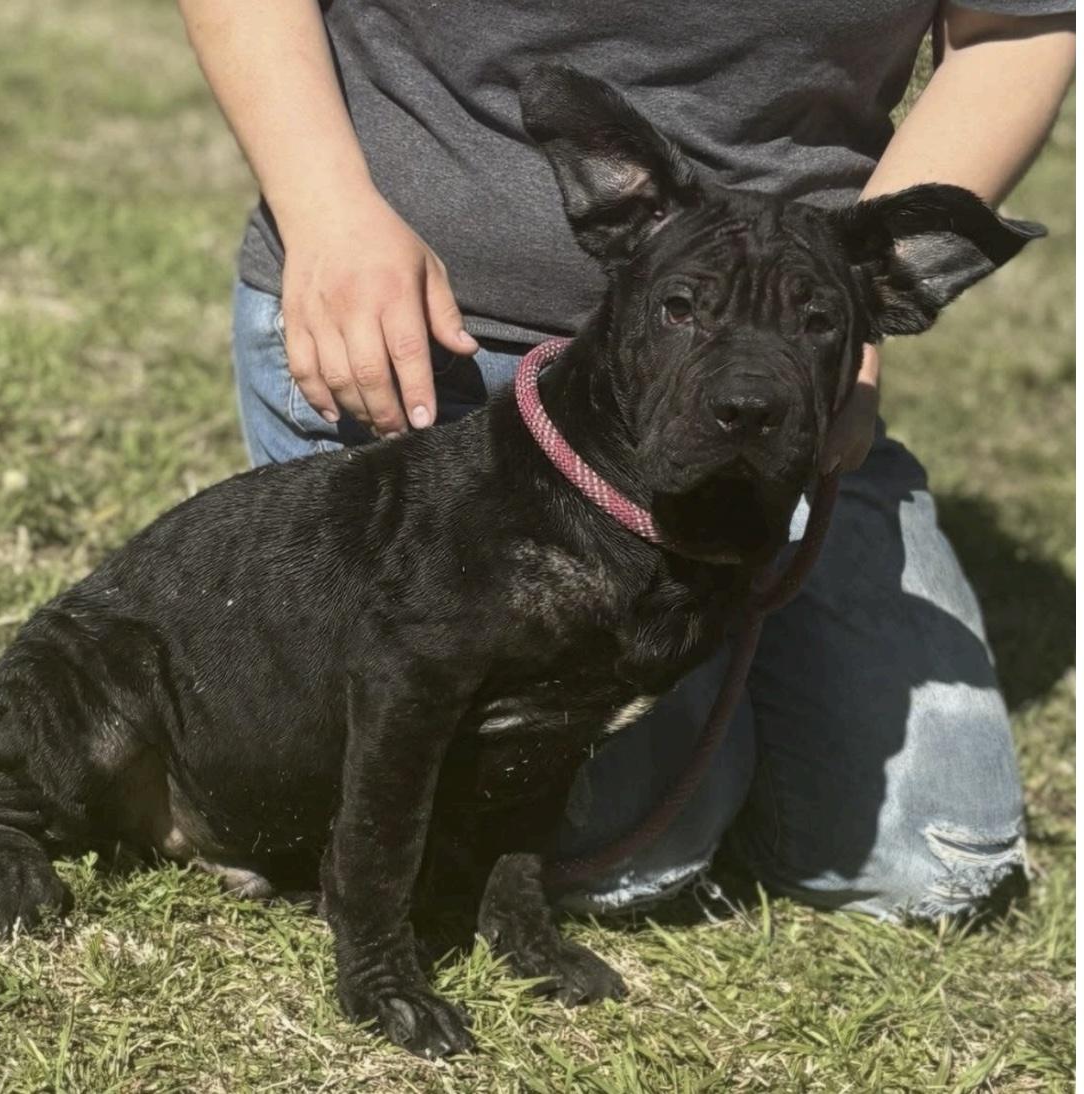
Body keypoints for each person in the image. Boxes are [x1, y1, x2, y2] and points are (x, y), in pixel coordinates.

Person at [177, 1, 1075, 918]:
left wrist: (830, 325)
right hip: (421, 336)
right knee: (625, 860)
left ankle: (738, 666)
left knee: (934, 863)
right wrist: (325, 207)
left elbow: (1015, 26)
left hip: (781, 378)